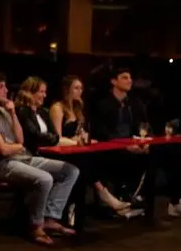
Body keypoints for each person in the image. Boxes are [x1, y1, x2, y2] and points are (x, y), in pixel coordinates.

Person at [0, 71, 80, 246]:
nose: (6, 90)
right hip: (2, 164)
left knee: (70, 171)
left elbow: (20, 139)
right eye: (0, 86)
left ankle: (50, 217)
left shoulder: (4, 111)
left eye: (5, 86)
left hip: (23, 157)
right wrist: (18, 146)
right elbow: (3, 149)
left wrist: (13, 114)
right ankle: (36, 226)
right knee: (45, 179)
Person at [93, 67, 181, 220]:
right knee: (148, 160)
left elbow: (145, 127)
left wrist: (144, 142)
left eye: (130, 78)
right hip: (113, 149)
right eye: (124, 77)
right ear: (113, 81)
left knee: (174, 153)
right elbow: (101, 133)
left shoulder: (135, 103)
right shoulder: (103, 105)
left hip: (136, 145)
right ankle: (140, 203)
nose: (129, 81)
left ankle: (177, 202)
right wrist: (126, 146)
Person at [49, 76, 130, 213]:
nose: (79, 91)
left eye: (81, 88)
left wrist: (86, 138)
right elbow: (57, 138)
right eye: (76, 88)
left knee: (99, 157)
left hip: (77, 150)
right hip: (62, 152)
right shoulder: (58, 108)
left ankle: (106, 196)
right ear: (67, 90)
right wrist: (76, 141)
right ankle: (103, 194)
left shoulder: (77, 108)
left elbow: (81, 133)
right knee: (86, 161)